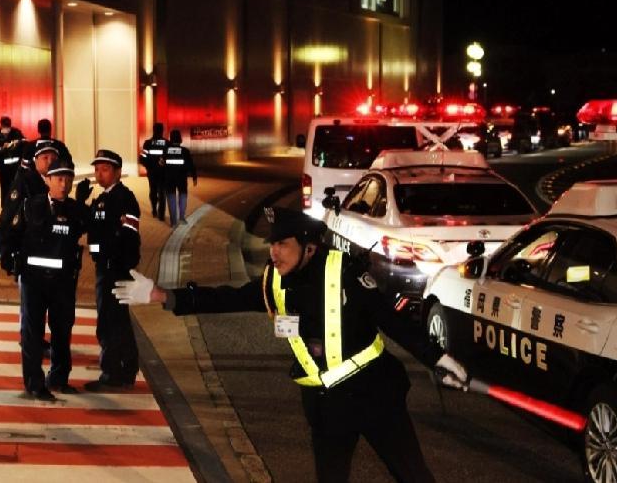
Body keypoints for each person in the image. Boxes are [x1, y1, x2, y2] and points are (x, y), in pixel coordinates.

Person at [114, 207, 468, 482]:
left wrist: (438, 358)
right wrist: (163, 295)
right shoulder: (274, 281)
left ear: (309, 247)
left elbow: (391, 319)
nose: (274, 253)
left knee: (413, 475)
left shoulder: (344, 272)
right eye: (272, 244)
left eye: (283, 244)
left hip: (374, 395)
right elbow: (227, 297)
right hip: (326, 405)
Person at [0, 157, 89, 400]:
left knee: (62, 331)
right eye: (59, 179)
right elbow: (10, 234)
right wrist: (7, 258)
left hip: (63, 283)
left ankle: (59, 378)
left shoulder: (77, 210)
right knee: (32, 333)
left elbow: (94, 234)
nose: (64, 184)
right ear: (48, 180)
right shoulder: (30, 206)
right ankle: (34, 384)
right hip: (34, 281)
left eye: (68, 179)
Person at [79, 149, 142, 392]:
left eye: (105, 169)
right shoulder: (102, 199)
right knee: (117, 320)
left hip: (115, 269)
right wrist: (82, 202)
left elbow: (130, 234)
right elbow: (89, 225)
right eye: (96, 169)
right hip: (104, 267)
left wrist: (118, 259)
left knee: (110, 321)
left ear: (117, 172)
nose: (99, 174)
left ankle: (113, 372)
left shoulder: (124, 198)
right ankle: (125, 370)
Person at [163, 129, 197, 227]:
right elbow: (191, 165)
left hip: (169, 178)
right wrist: (194, 177)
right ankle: (182, 218)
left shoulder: (166, 151)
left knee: (171, 198)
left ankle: (173, 221)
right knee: (183, 196)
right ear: (180, 139)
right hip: (181, 178)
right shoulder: (185, 151)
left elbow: (161, 164)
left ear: (171, 139)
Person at [0, 116, 25, 207]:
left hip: (15, 167)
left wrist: (17, 143)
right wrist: (1, 148)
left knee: (16, 188)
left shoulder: (16, 133)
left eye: (8, 126)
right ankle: (5, 209)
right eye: (5, 126)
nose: (6, 128)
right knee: (5, 189)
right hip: (3, 169)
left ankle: (16, 207)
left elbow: (24, 142)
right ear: (1, 125)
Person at [138, 122, 167, 220]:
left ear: (153, 130)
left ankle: (154, 209)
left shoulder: (148, 143)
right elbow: (170, 158)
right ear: (162, 131)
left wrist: (148, 167)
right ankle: (161, 215)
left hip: (152, 172)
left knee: (153, 190)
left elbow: (142, 158)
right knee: (162, 192)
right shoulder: (167, 143)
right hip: (163, 172)